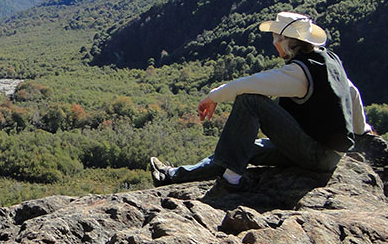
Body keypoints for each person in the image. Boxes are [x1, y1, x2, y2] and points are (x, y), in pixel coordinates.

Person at [150, 12, 372, 190]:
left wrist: (212, 97)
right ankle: (171, 175)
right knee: (238, 148)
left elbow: (250, 85)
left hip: (314, 154)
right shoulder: (328, 61)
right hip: (329, 155)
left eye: (275, 38)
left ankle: (231, 181)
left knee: (249, 101)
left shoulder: (299, 72)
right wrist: (363, 132)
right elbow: (351, 92)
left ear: (285, 41)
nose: (274, 43)